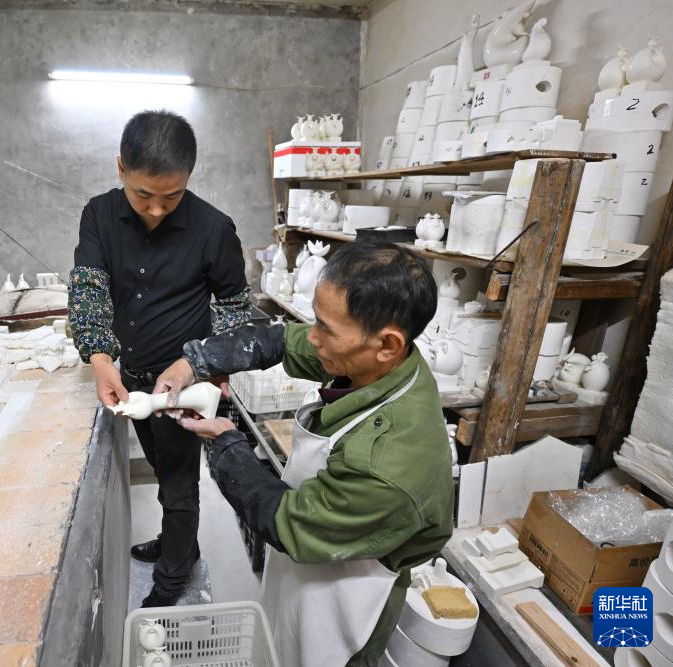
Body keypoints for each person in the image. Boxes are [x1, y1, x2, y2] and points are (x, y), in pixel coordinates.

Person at [154, 242, 454, 666]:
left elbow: (290, 522)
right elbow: (280, 340)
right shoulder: (378, 361)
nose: (313, 337)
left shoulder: (387, 465)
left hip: (347, 600)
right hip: (310, 562)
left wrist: (225, 444)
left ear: (388, 343)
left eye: (326, 329)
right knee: (279, 644)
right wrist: (197, 362)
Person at [68, 110, 251, 607]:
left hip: (184, 385)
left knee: (179, 484)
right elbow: (89, 289)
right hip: (131, 376)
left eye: (171, 197)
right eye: (143, 194)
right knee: (162, 469)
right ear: (121, 168)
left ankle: (172, 577)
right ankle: (180, 545)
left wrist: (211, 364)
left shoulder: (213, 228)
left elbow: (236, 309)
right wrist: (100, 360)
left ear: (188, 177)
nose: (155, 209)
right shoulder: (99, 215)